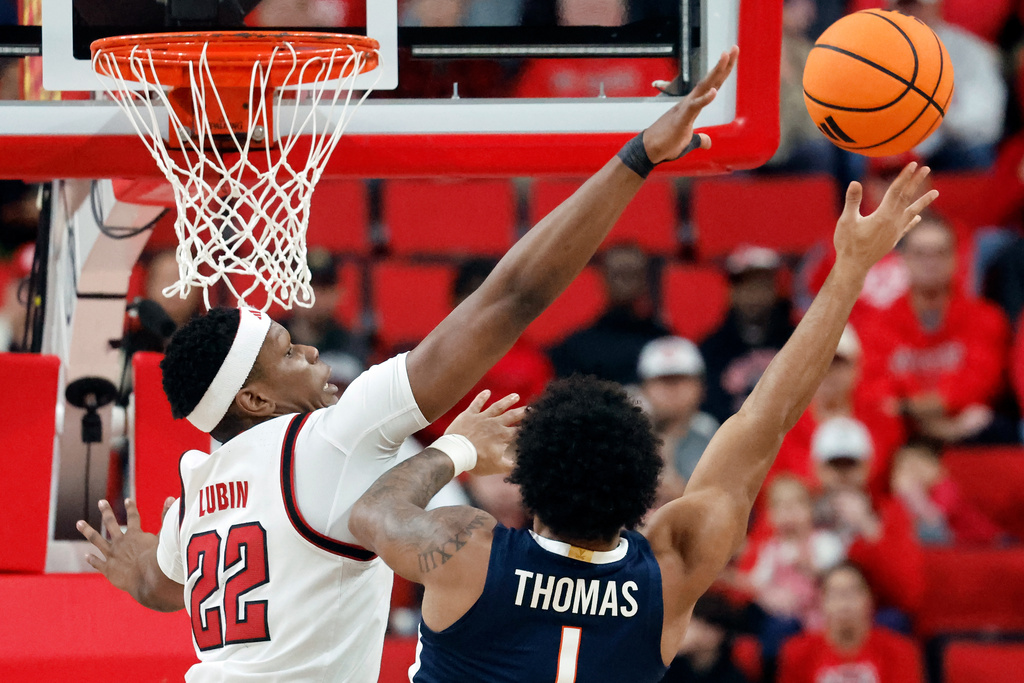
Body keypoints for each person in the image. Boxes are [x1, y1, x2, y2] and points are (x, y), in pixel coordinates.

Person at [75, 47, 741, 683]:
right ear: (253, 400)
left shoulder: (200, 483)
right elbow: (511, 300)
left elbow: (165, 587)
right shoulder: (330, 436)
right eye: (285, 350)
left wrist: (133, 563)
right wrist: (639, 155)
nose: (308, 348)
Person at [347, 159, 938, 681]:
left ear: (530, 477)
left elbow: (371, 512)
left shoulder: (466, 550)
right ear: (643, 485)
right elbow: (766, 418)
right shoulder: (670, 570)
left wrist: (455, 449)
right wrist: (851, 268)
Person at [858, 213, 1012, 444]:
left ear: (956, 259)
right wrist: (934, 414)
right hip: (903, 436)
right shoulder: (876, 325)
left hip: (970, 433)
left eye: (939, 253)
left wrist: (912, 406)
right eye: (920, 254)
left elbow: (983, 382)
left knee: (986, 421)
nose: (930, 262)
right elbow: (875, 392)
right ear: (904, 259)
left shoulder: (985, 318)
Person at [812, 418, 926, 622]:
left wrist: (868, 527)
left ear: (866, 467)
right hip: (811, 614)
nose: (843, 474)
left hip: (871, 617)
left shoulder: (890, 513)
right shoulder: (800, 511)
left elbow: (909, 594)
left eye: (851, 464)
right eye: (835, 465)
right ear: (819, 469)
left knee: (894, 620)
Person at [778, 562, 925, 683]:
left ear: (869, 599)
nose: (844, 602)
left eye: (852, 592)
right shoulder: (797, 653)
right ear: (821, 602)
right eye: (835, 594)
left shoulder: (901, 652)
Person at [548, 243, 673, 385]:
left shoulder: (664, 343)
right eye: (618, 273)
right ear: (602, 277)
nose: (625, 281)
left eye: (632, 273)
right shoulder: (575, 348)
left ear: (646, 278)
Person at [700, 245, 795, 423]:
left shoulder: (795, 340)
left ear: (775, 290)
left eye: (761, 286)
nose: (754, 295)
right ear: (731, 291)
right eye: (746, 286)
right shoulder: (711, 348)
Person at [636, 335, 719, 505]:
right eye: (663, 380)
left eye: (680, 379)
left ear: (701, 386)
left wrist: (684, 497)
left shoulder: (715, 436)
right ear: (644, 387)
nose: (672, 390)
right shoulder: (627, 435)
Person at [660, 592, 752, 683]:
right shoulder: (671, 666)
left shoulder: (732, 677)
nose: (691, 631)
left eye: (701, 625)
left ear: (720, 634)